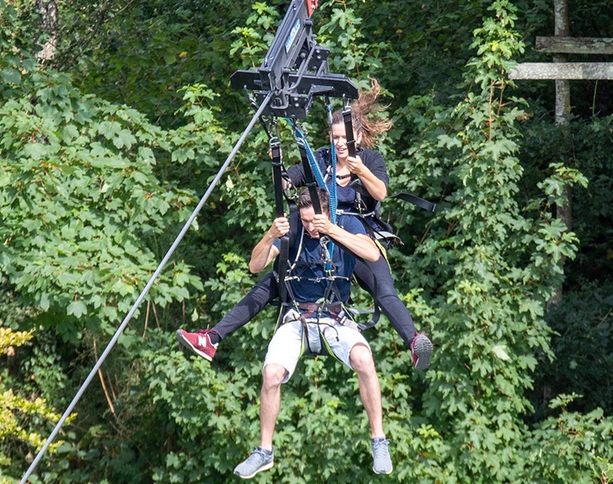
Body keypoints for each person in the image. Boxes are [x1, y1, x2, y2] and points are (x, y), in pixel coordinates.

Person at [177, 79, 433, 370]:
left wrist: (360, 170)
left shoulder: (370, 160)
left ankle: (414, 341)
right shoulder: (320, 159)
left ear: (358, 137)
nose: (339, 143)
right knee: (273, 281)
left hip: (353, 229)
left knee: (381, 285)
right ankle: (212, 338)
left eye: (344, 138)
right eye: (335, 137)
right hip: (314, 226)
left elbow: (380, 193)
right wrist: (280, 172)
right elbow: (291, 179)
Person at [232, 188, 392, 478]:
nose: (309, 227)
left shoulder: (345, 222)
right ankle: (264, 450)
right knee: (271, 374)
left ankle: (379, 439)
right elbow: (255, 266)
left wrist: (330, 229)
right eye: (305, 221)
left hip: (335, 317)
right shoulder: (294, 227)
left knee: (364, 359)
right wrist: (270, 235)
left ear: (328, 213)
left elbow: (372, 254)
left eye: (313, 221)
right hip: (298, 318)